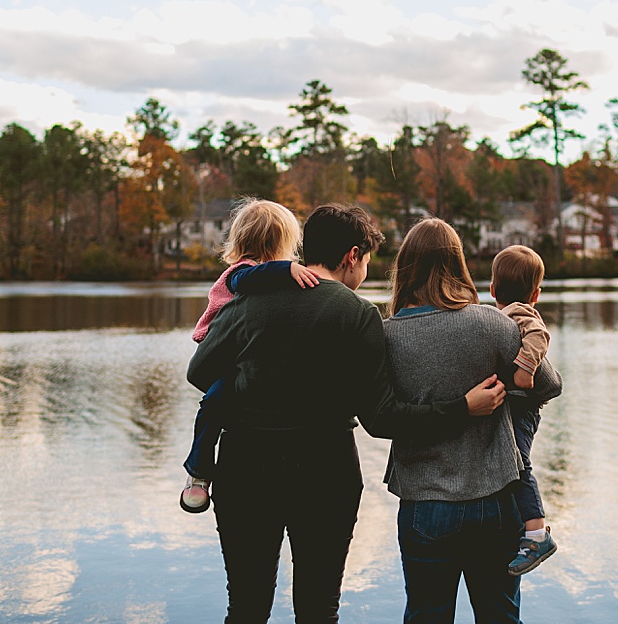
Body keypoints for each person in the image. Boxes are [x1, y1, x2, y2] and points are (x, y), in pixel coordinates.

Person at [188, 204, 507, 624]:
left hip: (245, 470)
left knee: (246, 606)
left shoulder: (249, 300)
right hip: (324, 473)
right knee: (319, 609)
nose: (367, 271)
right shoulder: (356, 313)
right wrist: (462, 407)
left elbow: (200, 373)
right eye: (368, 261)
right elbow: (383, 419)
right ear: (351, 256)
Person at [383, 219, 562, 624]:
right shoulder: (492, 323)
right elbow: (549, 385)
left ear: (405, 267)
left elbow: (383, 418)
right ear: (458, 265)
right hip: (495, 501)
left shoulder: (387, 336)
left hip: (425, 505)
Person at [181, 198, 321, 514]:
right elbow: (250, 281)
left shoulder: (270, 278)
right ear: (281, 246)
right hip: (224, 358)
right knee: (213, 404)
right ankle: (199, 471)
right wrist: (287, 268)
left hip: (250, 358)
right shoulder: (240, 272)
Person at [488, 244, 560, 575]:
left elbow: (538, 335)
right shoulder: (499, 316)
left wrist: (525, 370)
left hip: (523, 406)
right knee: (512, 462)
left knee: (518, 463)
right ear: (537, 293)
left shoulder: (521, 313)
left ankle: (536, 533)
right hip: (513, 405)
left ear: (492, 288)